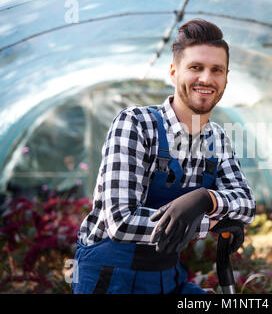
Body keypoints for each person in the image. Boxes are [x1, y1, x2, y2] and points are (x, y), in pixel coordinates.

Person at [72, 18, 256, 294]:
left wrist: (206, 198)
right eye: (196, 67)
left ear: (226, 78)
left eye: (216, 70)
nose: (206, 78)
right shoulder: (135, 124)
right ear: (173, 72)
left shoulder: (218, 138)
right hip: (110, 277)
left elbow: (246, 204)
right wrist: (212, 220)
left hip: (166, 276)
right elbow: (121, 222)